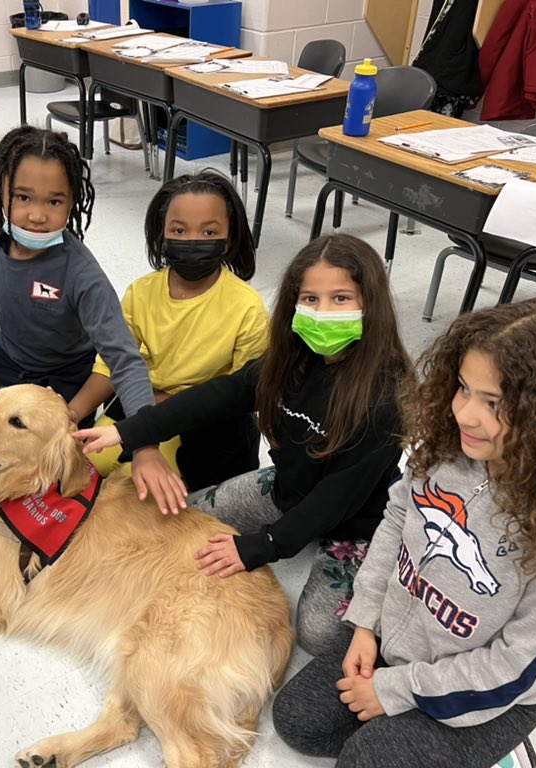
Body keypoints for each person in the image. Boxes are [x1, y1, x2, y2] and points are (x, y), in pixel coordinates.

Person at [272, 297, 536, 767]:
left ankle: (491, 751)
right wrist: (366, 624)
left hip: (489, 690)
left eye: (495, 403)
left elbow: (518, 666)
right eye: (464, 388)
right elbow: (394, 524)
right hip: (397, 643)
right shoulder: (449, 447)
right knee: (297, 721)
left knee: (369, 759)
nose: (465, 414)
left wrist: (395, 690)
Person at [76, 235, 412, 654]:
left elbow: (335, 499)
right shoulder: (291, 358)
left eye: (340, 298)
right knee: (182, 523)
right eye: (310, 298)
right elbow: (220, 394)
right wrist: (132, 431)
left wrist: (263, 546)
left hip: (357, 522)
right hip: (288, 487)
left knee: (318, 635)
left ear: (371, 303)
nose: (322, 313)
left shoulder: (385, 398)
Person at [67, 170, 268, 492]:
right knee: (86, 465)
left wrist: (169, 401)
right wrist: (72, 413)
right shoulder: (141, 292)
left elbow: (246, 392)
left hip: (204, 423)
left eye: (209, 232)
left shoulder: (247, 307)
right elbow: (111, 364)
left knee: (144, 491)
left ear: (230, 238)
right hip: (141, 403)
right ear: (162, 235)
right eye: (179, 230)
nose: (192, 241)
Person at [0, 125, 154, 430]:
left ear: (72, 202)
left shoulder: (83, 275)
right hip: (7, 365)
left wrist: (145, 440)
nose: (38, 215)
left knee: (56, 469)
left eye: (54, 202)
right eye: (23, 197)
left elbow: (125, 361)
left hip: (67, 378)